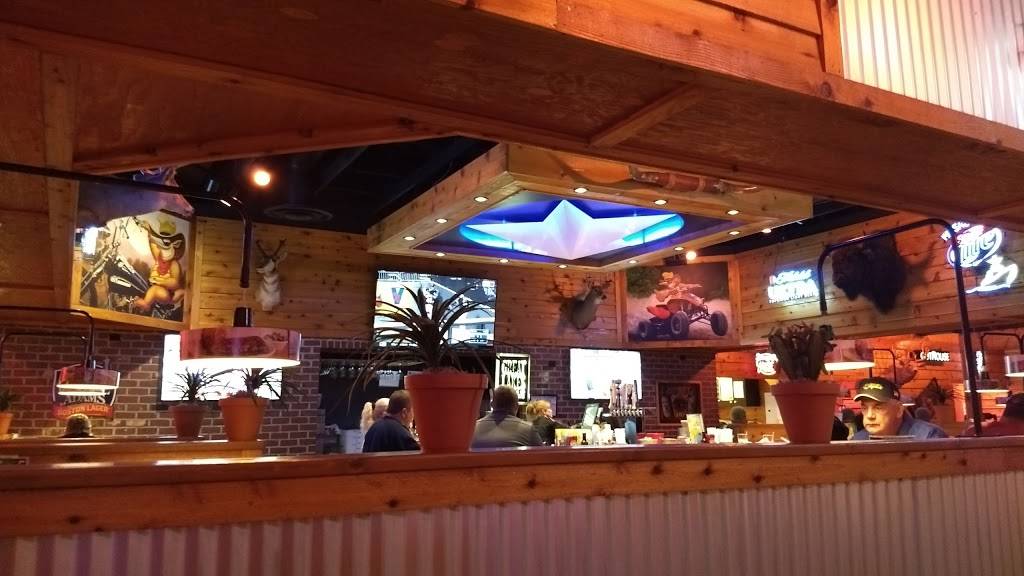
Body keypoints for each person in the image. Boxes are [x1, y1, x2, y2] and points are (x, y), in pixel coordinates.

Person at [851, 377, 947, 440]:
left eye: (878, 408)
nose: (869, 416)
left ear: (899, 410)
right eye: (864, 408)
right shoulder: (858, 440)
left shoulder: (928, 436)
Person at [472, 386, 542, 449]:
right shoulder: (528, 430)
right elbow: (541, 456)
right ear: (516, 406)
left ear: (492, 405)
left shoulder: (473, 428)